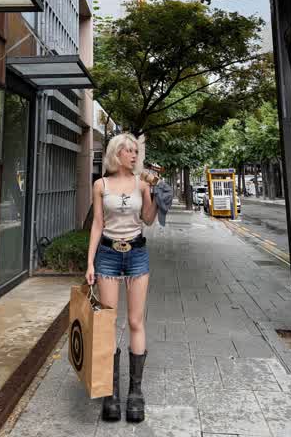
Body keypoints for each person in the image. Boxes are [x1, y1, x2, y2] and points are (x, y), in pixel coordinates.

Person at [85, 133, 158, 423]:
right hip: (108, 255)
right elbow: (97, 223)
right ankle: (111, 393)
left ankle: (135, 393)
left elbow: (148, 219)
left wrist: (157, 195)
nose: (134, 155)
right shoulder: (101, 185)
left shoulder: (142, 184)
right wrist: (90, 262)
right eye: (128, 150)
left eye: (135, 151)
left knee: (136, 321)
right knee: (109, 322)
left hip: (137, 253)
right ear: (116, 154)